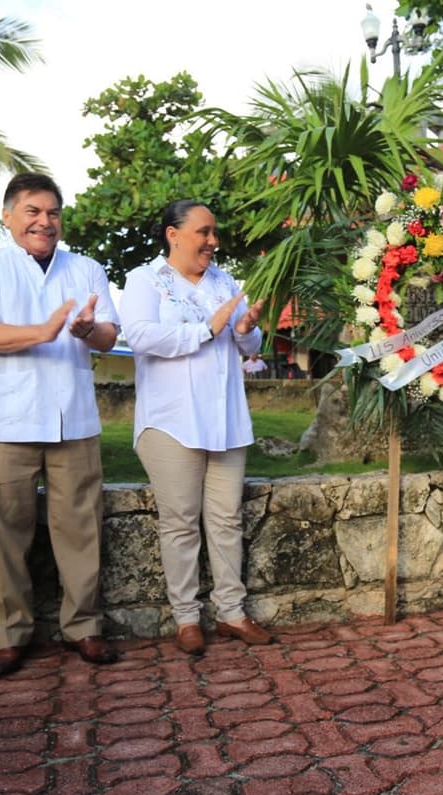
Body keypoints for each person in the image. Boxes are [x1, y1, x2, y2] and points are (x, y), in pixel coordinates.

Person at [0, 173, 121, 678]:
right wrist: (45, 330)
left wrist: (87, 329)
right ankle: (7, 635)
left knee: (81, 526)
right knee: (3, 530)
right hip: (6, 419)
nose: (44, 222)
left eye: (52, 213)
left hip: (73, 416)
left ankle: (85, 626)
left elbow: (110, 336)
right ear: (8, 217)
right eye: (31, 211)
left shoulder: (86, 268)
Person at [118, 200, 273, 656]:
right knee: (181, 524)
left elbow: (247, 342)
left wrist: (246, 328)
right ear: (173, 234)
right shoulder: (145, 281)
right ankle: (187, 618)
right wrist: (208, 328)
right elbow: (141, 336)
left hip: (225, 419)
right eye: (204, 232)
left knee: (226, 519)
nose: (213, 241)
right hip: (171, 423)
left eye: (213, 232)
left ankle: (231, 612)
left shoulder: (225, 281)